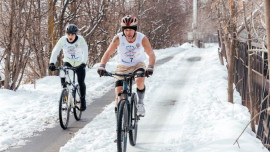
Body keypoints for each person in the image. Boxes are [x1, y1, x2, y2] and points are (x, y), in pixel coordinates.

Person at [97, 15, 156, 117]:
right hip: (123, 66)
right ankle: (120, 121)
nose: (128, 33)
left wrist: (150, 67)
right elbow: (108, 53)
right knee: (118, 93)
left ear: (135, 30)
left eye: (130, 30)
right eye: (126, 30)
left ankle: (140, 103)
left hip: (138, 64)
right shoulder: (118, 38)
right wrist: (102, 65)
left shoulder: (142, 38)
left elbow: (151, 54)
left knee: (139, 80)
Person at [49, 24, 88, 111]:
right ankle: (65, 96)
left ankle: (83, 100)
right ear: (66, 34)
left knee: (81, 81)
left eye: (72, 34)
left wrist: (83, 63)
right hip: (68, 62)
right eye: (68, 34)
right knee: (62, 72)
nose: (70, 36)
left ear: (75, 34)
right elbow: (55, 50)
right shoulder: (62, 40)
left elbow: (85, 51)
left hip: (79, 63)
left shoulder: (81, 40)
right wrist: (52, 62)